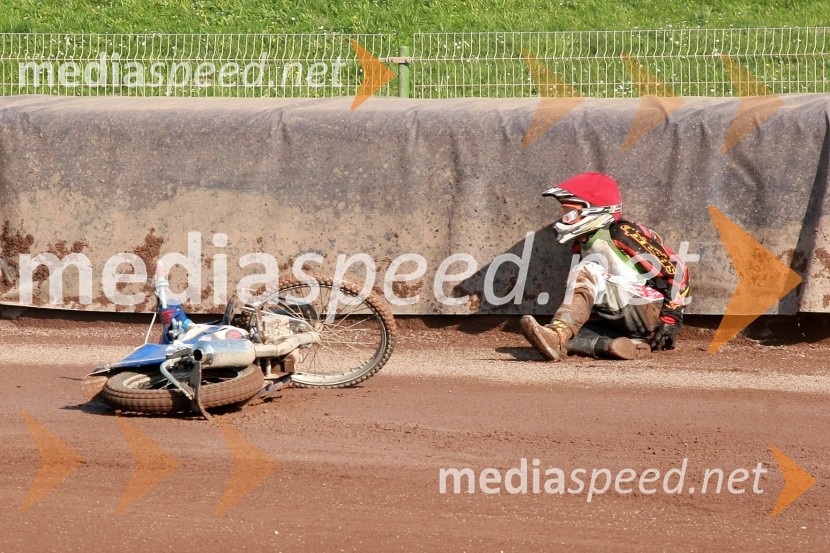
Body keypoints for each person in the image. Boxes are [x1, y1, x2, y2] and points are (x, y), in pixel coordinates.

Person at [520, 172, 690, 361]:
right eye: (564, 213)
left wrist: (670, 318)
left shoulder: (621, 232)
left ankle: (558, 332)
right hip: (618, 316)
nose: (565, 219)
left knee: (587, 270)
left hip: (647, 311)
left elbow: (678, 269)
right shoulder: (582, 243)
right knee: (573, 335)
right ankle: (623, 346)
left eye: (570, 213)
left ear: (594, 210)